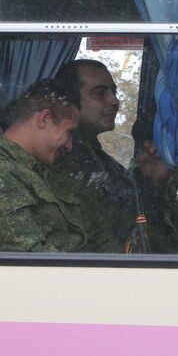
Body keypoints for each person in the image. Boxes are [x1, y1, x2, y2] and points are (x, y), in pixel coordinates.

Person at [0, 79, 105, 252]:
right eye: (69, 132)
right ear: (44, 119)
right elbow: (28, 261)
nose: (69, 146)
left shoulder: (33, 169)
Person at [47, 59, 140, 251]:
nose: (114, 101)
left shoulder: (95, 157)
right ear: (69, 101)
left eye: (114, 91)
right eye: (100, 93)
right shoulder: (63, 159)